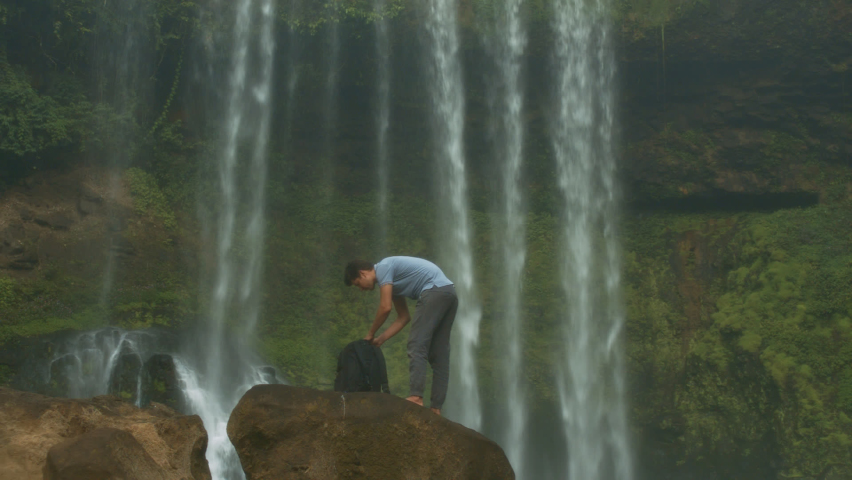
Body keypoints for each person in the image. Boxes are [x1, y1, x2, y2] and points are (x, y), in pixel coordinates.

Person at [344, 256, 458, 415]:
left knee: (416, 344)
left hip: (434, 291)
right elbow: (403, 317)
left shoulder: (383, 267)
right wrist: (380, 339)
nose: (361, 289)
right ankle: (436, 408)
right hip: (449, 292)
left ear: (363, 274)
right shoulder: (392, 283)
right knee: (439, 353)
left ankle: (416, 397)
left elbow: (385, 308)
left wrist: (370, 334)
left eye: (358, 284)